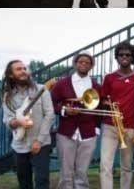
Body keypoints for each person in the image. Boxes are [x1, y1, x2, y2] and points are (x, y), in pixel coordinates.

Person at [99, 41, 134, 189]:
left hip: (130, 127)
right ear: (117, 57)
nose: (124, 57)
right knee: (105, 165)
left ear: (133, 58)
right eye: (121, 55)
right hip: (110, 126)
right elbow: (101, 100)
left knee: (127, 166)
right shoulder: (109, 78)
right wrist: (106, 104)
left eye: (128, 55)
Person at [51, 52, 102, 189]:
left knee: (82, 171)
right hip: (66, 132)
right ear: (75, 64)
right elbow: (51, 103)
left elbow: (100, 109)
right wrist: (63, 110)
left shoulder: (96, 86)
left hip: (88, 132)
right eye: (81, 62)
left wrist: (96, 129)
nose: (84, 64)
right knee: (66, 172)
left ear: (91, 66)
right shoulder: (62, 83)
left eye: (87, 63)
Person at [1, 60, 55, 189]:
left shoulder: (41, 90)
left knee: (42, 181)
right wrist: (17, 122)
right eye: (18, 69)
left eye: (24, 68)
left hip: (41, 143)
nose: (23, 71)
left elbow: (49, 115)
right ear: (10, 75)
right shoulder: (7, 95)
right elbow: (7, 120)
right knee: (24, 182)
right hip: (19, 145)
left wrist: (39, 141)